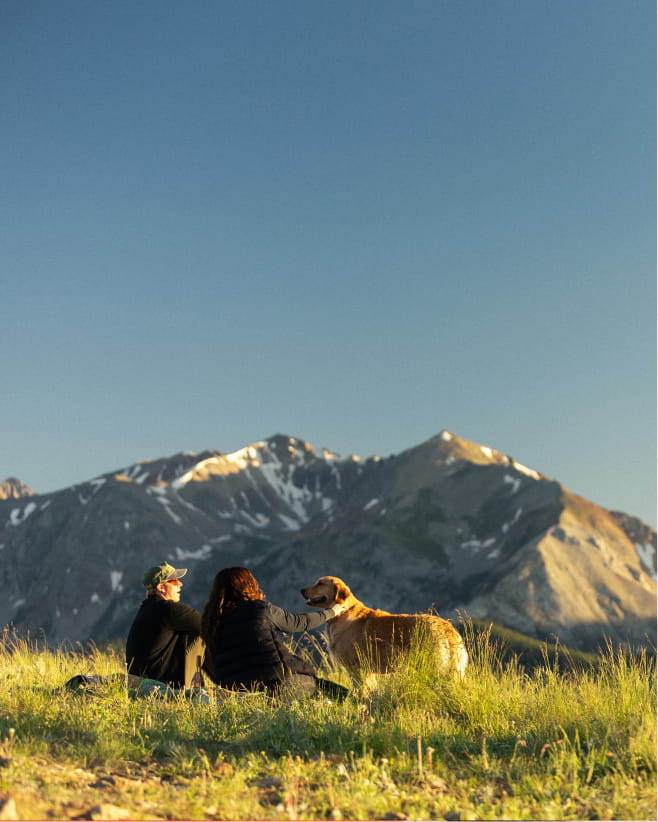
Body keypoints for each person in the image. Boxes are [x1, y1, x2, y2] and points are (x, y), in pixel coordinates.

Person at [201, 566, 348, 699]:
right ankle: (360, 704)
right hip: (278, 683)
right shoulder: (260, 609)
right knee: (324, 688)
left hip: (235, 692)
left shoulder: (211, 622)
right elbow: (298, 622)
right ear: (249, 585)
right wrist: (330, 612)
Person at [126, 562, 205, 690]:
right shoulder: (168, 609)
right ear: (161, 587)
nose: (180, 584)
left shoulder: (147, 608)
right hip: (160, 684)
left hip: (142, 680)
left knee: (190, 628)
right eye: (174, 581)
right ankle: (198, 688)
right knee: (201, 633)